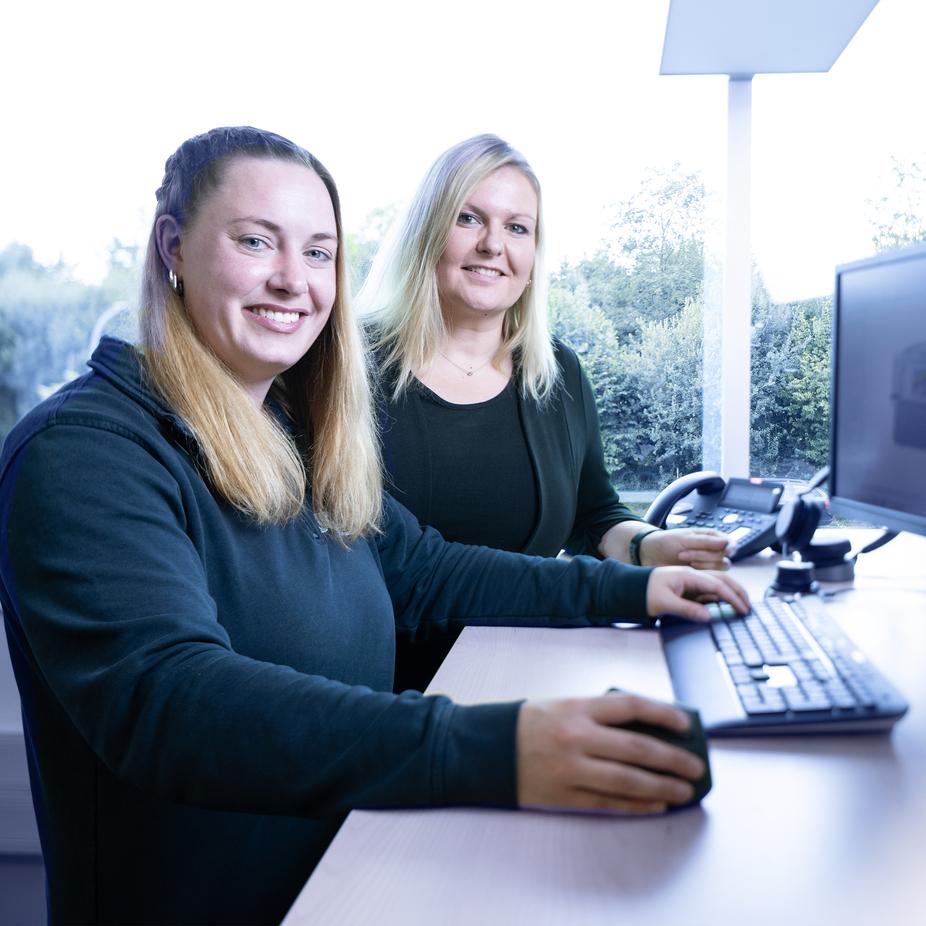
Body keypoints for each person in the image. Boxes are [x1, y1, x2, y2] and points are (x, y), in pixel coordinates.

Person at [0, 126, 748, 926]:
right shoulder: (82, 453)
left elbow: (427, 570)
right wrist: (498, 749)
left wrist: (636, 586)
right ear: (173, 248)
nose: (294, 281)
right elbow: (172, 702)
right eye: (257, 242)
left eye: (319, 254)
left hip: (354, 868)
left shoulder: (287, 432)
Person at [360, 134, 732, 688]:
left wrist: (645, 543)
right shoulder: (349, 371)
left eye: (517, 228)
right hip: (385, 695)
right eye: (468, 218)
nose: (493, 245)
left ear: (533, 255)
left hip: (528, 665)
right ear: (425, 232)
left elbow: (594, 514)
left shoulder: (556, 373)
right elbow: (403, 568)